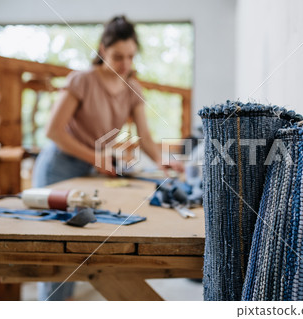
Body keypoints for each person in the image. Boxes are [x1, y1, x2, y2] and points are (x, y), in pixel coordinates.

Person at [33, 15, 183, 301]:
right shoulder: (81, 80)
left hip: (89, 170)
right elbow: (53, 131)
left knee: (79, 244)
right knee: (57, 254)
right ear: (102, 49)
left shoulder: (133, 88)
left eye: (130, 57)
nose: (125, 64)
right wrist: (96, 157)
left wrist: (164, 161)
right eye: (117, 56)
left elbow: (146, 139)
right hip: (58, 167)